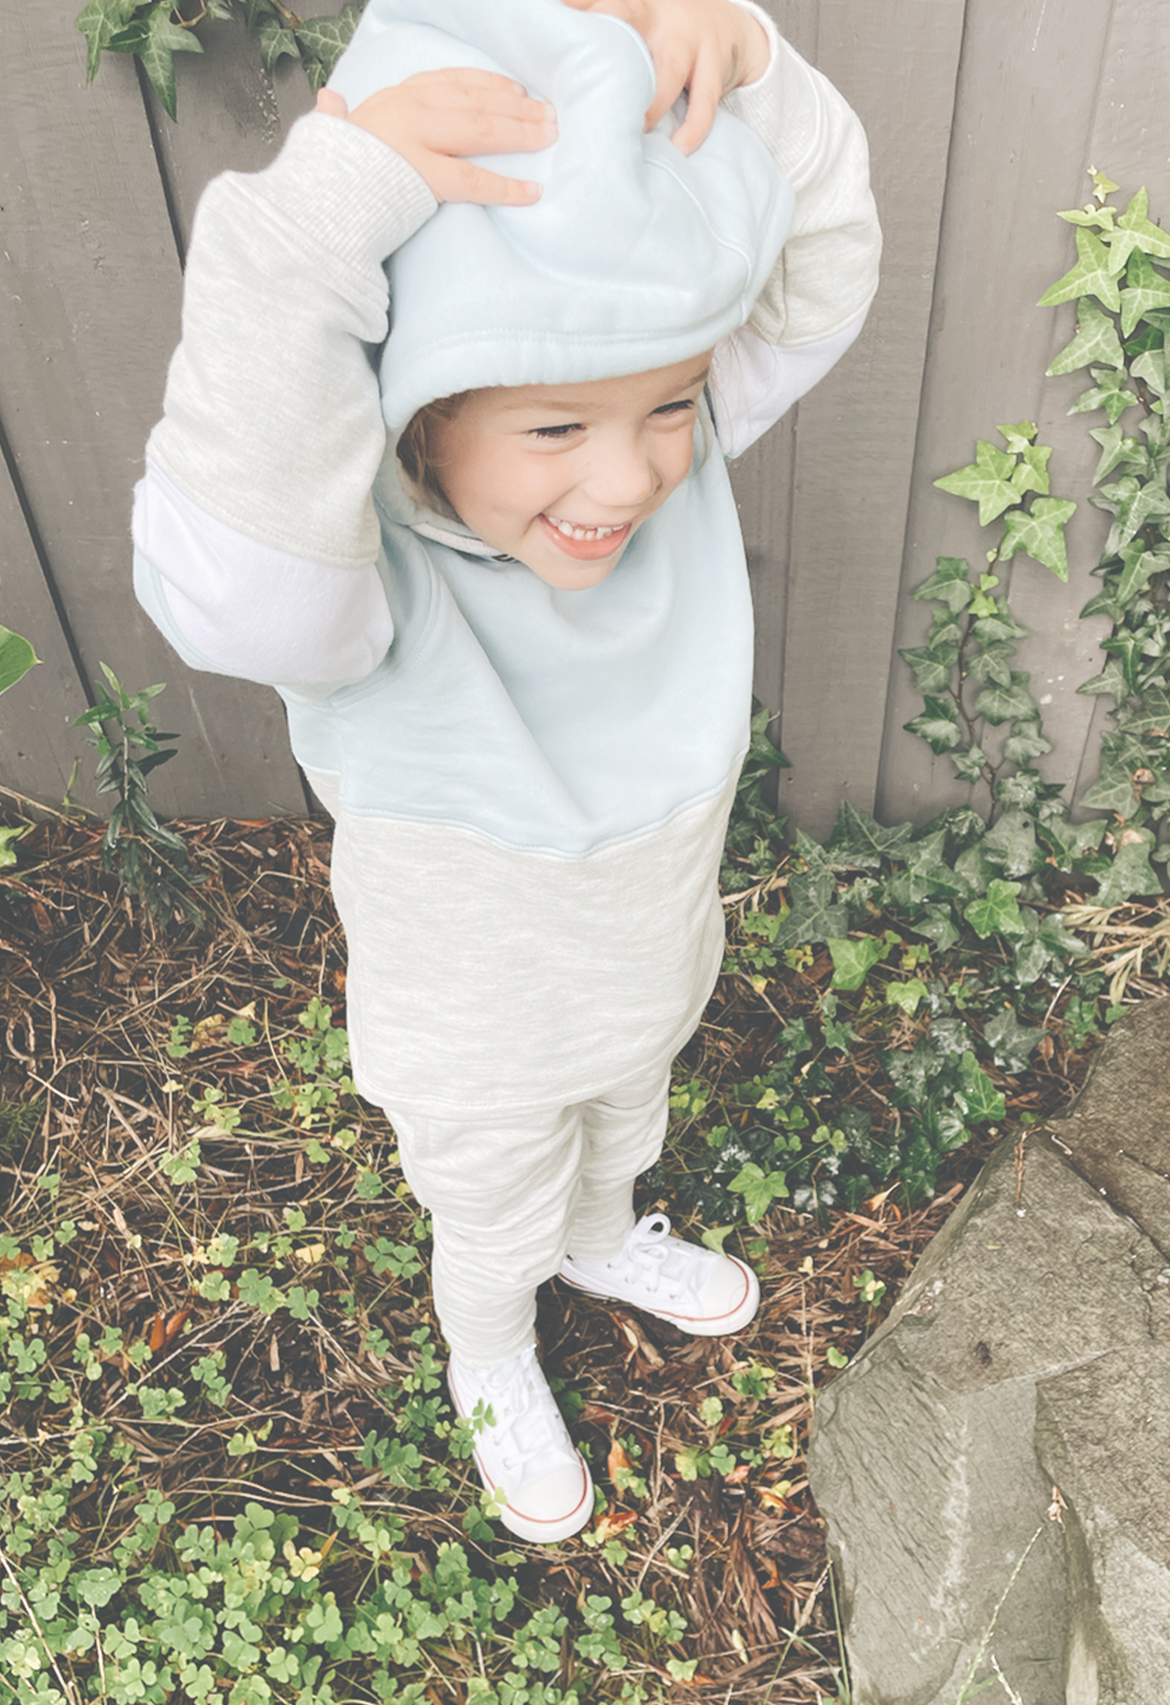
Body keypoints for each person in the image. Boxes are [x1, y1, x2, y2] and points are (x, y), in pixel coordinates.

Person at [133, 0, 880, 1544]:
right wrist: (314, 227)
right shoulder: (356, 581)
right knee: (491, 1207)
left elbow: (810, 282)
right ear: (416, 416)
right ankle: (489, 1348)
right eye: (555, 423)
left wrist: (748, 56)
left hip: (642, 944)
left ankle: (603, 1235)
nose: (632, 474)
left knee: (621, 1116)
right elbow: (231, 573)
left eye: (669, 404)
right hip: (472, 1017)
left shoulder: (649, 478)